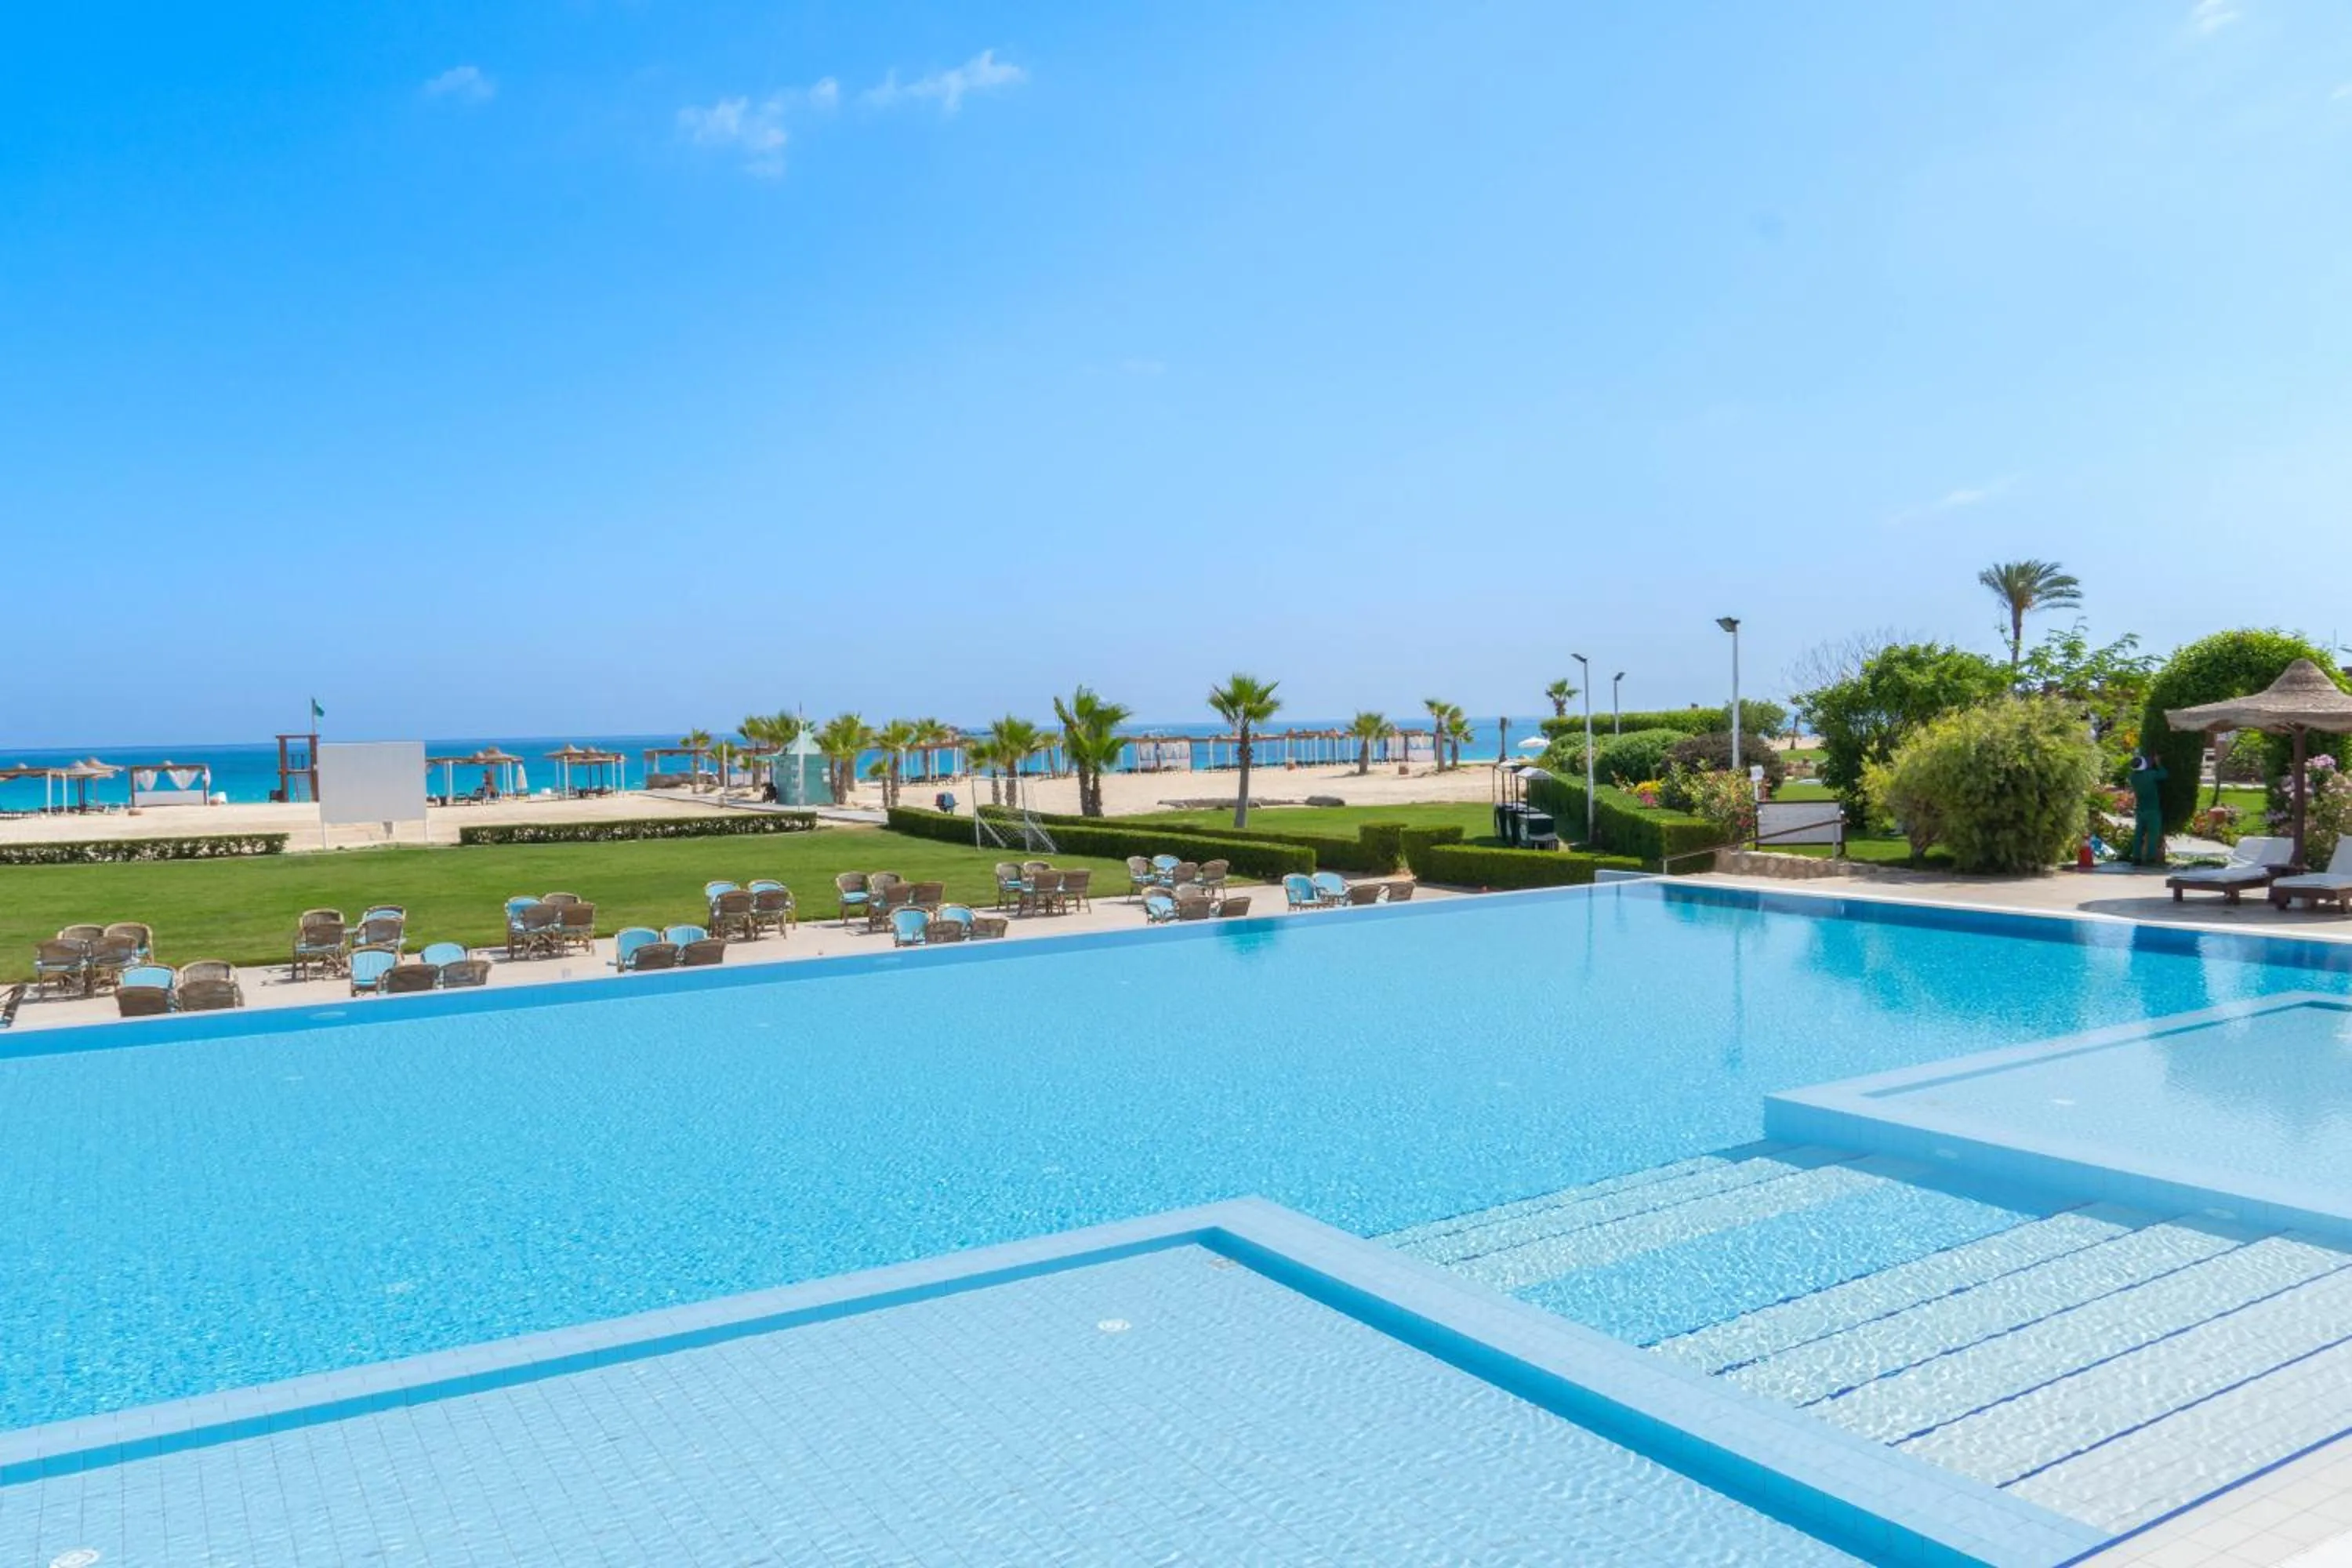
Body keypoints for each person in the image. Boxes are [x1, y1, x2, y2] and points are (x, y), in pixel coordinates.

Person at [2129, 752, 2168, 865]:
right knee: (2152, 835)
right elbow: (2164, 774)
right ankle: (2150, 858)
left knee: (2138, 834)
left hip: (2140, 809)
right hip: (2153, 809)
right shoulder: (2150, 774)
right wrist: (2158, 763)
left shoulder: (2133, 777)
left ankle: (2136, 858)